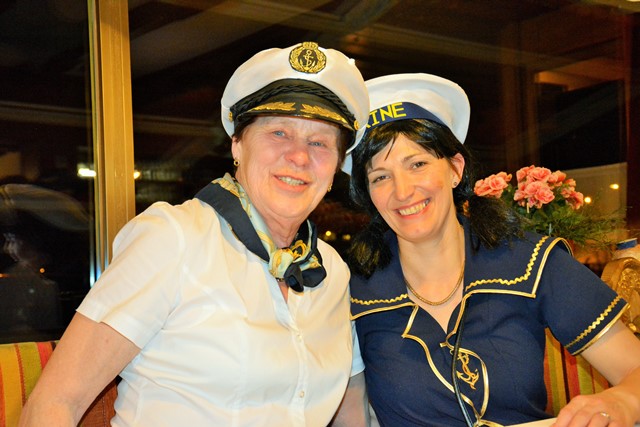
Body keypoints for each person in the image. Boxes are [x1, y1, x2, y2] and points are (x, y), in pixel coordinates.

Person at [19, 41, 370, 426]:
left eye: (319, 142)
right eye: (279, 133)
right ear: (237, 145)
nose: (300, 156)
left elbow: (351, 409)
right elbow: (54, 403)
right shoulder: (173, 239)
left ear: (335, 167)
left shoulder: (332, 271)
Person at [346, 73, 640, 427]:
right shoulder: (349, 294)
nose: (402, 191)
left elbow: (634, 370)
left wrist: (622, 400)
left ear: (455, 169)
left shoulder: (531, 262)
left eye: (418, 164)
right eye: (380, 177)